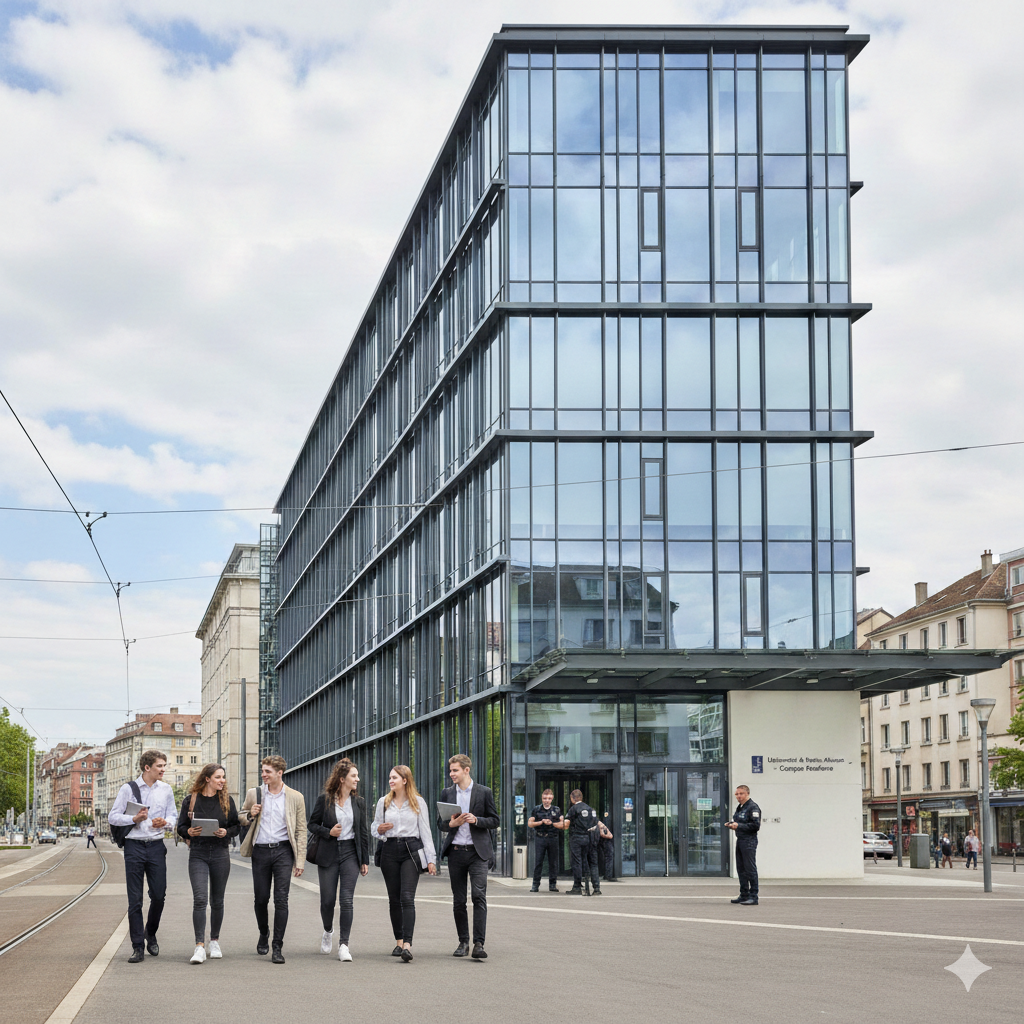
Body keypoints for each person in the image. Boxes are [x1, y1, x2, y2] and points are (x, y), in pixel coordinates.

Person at [108, 749, 177, 963]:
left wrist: (166, 823)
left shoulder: (166, 789)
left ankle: (151, 933)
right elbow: (113, 816)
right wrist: (134, 819)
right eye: (160, 766)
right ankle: (137, 946)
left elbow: (173, 814)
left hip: (156, 846)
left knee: (158, 895)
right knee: (135, 900)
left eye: (165, 766)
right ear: (147, 768)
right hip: (134, 847)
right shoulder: (128, 789)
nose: (163, 769)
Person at [239, 755, 307, 964]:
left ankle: (277, 946)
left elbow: (301, 829)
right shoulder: (255, 793)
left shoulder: (295, 797)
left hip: (283, 852)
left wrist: (300, 861)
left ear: (280, 773)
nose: (264, 774)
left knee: (281, 899)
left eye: (268, 771)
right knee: (261, 899)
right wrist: (250, 814)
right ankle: (263, 932)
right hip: (260, 851)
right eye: (263, 771)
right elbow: (240, 816)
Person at [308, 757, 371, 962]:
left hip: (350, 852)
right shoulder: (324, 800)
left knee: (346, 900)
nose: (357, 779)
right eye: (354, 776)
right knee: (327, 900)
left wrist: (364, 860)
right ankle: (328, 931)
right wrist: (328, 832)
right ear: (342, 779)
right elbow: (312, 824)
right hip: (329, 852)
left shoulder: (359, 803)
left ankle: (344, 945)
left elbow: (362, 832)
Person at [437, 754, 499, 959]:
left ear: (466, 770)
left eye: (455, 770)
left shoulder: (484, 792)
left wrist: (476, 820)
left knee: (479, 896)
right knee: (459, 900)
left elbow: (494, 820)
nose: (451, 774)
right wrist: (451, 825)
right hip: (456, 852)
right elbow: (440, 823)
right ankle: (462, 942)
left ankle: (478, 944)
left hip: (477, 853)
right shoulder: (447, 793)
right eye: (450, 770)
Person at [372, 765, 436, 962]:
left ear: (405, 780)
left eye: (395, 778)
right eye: (390, 778)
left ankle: (408, 944)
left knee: (407, 897)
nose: (391, 781)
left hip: (411, 850)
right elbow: (374, 828)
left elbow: (425, 830)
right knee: (394, 899)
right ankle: (398, 941)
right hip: (389, 850)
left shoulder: (418, 802)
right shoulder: (384, 802)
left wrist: (431, 859)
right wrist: (380, 829)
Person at [178, 763, 239, 965]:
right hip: (198, 853)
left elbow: (236, 826)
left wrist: (226, 832)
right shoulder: (191, 800)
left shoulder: (226, 801)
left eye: (223, 777)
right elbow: (181, 826)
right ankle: (199, 946)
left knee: (217, 900)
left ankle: (214, 941)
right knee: (200, 899)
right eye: (218, 777)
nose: (222, 781)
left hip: (221, 853)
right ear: (207, 779)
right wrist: (188, 832)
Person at [726, 784, 761, 906]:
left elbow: (756, 826)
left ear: (747, 794)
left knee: (750, 869)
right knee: (741, 869)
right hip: (740, 840)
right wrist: (732, 825)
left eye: (741, 794)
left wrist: (739, 826)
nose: (738, 796)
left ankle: (753, 896)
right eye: (737, 794)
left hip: (749, 841)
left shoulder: (753, 807)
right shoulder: (740, 807)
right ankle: (744, 894)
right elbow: (739, 821)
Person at [563, 790, 601, 896]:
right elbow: (597, 823)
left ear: (572, 798)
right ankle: (596, 888)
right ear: (581, 797)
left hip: (577, 838)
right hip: (589, 838)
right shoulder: (590, 809)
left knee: (577, 862)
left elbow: (566, 824)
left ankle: (577, 887)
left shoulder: (573, 809)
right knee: (591, 862)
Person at [527, 789, 562, 892]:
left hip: (553, 837)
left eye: (549, 798)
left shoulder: (556, 810)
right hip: (540, 837)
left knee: (553, 862)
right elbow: (530, 823)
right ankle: (535, 885)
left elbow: (562, 824)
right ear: (542, 798)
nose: (547, 800)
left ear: (552, 798)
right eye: (545, 798)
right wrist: (541, 822)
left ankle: (552, 884)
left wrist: (552, 823)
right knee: (538, 862)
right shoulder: (536, 809)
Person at [598, 815, 616, 882]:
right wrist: (608, 835)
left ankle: (607, 874)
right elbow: (603, 834)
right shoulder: (600, 823)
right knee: (609, 856)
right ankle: (608, 875)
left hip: (600, 840)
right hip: (605, 840)